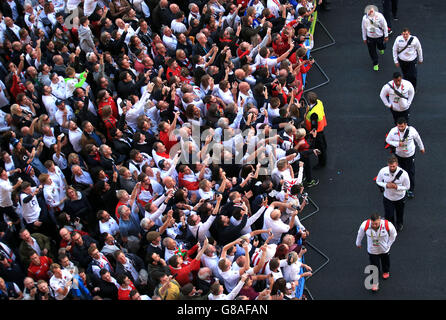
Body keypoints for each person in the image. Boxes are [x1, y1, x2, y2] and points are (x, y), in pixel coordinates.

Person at [356, 213, 397, 291]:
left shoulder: (388, 225)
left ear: (380, 220)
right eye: (372, 223)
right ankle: (375, 283)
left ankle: (386, 271)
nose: (374, 225)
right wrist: (358, 243)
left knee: (385, 262)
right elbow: (360, 234)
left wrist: (388, 245)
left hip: (384, 249)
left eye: (376, 223)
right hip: (372, 250)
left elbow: (394, 235)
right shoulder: (365, 225)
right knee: (374, 266)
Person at [385, 118, 425, 199]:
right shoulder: (393, 131)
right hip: (398, 154)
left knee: (410, 171)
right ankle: (402, 186)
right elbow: (387, 140)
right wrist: (396, 143)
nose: (400, 128)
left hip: (410, 154)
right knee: (401, 170)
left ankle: (410, 189)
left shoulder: (412, 130)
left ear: (406, 124)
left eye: (402, 126)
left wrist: (421, 147)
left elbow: (418, 139)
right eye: (399, 126)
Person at [375, 155, 410, 232]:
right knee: (389, 215)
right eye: (390, 166)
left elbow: (407, 187)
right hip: (387, 197)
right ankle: (391, 227)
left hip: (399, 198)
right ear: (388, 164)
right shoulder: (383, 171)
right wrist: (386, 185)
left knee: (399, 213)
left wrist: (396, 187)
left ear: (397, 164)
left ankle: (400, 224)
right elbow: (378, 181)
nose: (392, 168)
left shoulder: (404, 174)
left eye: (393, 166)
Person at [361, 5, 388, 71]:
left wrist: (386, 35)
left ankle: (381, 48)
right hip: (370, 37)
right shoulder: (365, 18)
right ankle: (375, 63)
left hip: (379, 36)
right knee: (372, 51)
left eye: (372, 11)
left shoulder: (380, 16)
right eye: (369, 11)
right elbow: (363, 28)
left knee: (381, 46)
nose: (370, 12)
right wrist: (364, 38)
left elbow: (384, 25)